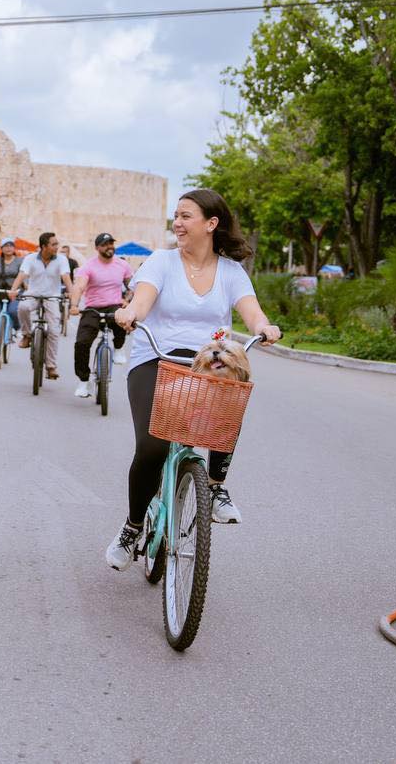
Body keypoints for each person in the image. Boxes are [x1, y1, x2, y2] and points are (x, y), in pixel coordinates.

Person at [106, 188, 281, 570]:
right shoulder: (161, 262)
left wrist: (265, 327)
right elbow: (143, 298)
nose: (178, 223)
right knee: (152, 447)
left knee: (230, 404)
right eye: (177, 216)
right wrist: (130, 312)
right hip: (158, 358)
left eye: (186, 216)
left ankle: (215, 488)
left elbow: (252, 313)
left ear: (210, 224)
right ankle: (134, 525)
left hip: (208, 362)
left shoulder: (231, 272)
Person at [71, 232, 134, 398]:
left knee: (122, 316)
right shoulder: (89, 266)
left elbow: (132, 286)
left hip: (114, 305)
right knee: (81, 343)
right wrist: (74, 305)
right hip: (93, 308)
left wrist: (129, 301)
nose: (109, 247)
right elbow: (79, 287)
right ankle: (84, 381)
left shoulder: (122, 265)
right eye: (105, 244)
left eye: (111, 243)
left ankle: (119, 349)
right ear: (97, 248)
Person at [9, 231, 75, 380]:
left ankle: (51, 366)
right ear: (44, 246)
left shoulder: (62, 259)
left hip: (52, 297)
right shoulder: (30, 258)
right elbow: (22, 274)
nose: (57, 247)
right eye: (54, 244)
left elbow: (66, 277)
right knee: (23, 307)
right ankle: (26, 334)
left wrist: (72, 295)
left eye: (57, 244)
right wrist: (13, 290)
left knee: (53, 330)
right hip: (33, 294)